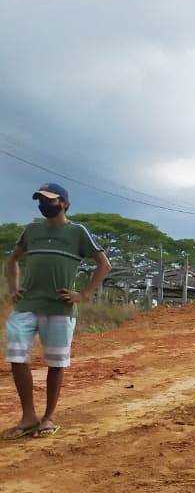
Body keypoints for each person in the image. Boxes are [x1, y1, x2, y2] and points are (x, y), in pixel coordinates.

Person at [4, 183, 111, 439]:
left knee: (55, 363)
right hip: (26, 305)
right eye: (40, 200)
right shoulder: (31, 230)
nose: (44, 204)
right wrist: (13, 288)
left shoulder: (77, 232)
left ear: (63, 203)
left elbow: (103, 265)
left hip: (60, 308)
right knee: (17, 356)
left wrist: (83, 294)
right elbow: (12, 261)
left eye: (49, 200)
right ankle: (28, 416)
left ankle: (48, 417)